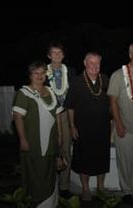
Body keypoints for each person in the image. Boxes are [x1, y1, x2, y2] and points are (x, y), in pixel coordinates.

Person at [12, 60, 63, 208]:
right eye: (36, 73)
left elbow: (58, 115)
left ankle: (51, 203)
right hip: (33, 139)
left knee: (49, 168)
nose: (40, 76)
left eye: (43, 73)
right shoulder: (24, 93)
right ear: (30, 75)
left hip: (51, 139)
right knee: (36, 170)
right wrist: (22, 139)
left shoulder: (51, 92)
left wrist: (60, 135)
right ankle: (36, 203)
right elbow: (17, 117)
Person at [64, 52, 111, 201]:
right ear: (85, 63)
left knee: (102, 157)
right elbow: (70, 107)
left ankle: (100, 187)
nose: (94, 66)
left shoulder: (105, 79)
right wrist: (72, 126)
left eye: (97, 63)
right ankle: (85, 189)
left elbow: (112, 103)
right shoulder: (77, 82)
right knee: (84, 159)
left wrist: (114, 122)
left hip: (103, 127)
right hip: (83, 128)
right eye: (91, 63)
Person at [107, 42, 133, 203]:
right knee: (125, 161)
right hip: (125, 126)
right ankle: (126, 191)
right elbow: (112, 101)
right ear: (130, 55)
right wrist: (118, 124)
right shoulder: (118, 75)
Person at [46, 41, 76, 199]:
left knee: (65, 149)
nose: (57, 55)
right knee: (48, 149)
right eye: (53, 52)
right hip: (47, 115)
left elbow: (74, 94)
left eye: (59, 53)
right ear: (49, 55)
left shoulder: (70, 71)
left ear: (63, 55)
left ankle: (64, 187)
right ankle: (48, 185)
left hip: (65, 115)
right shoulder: (42, 72)